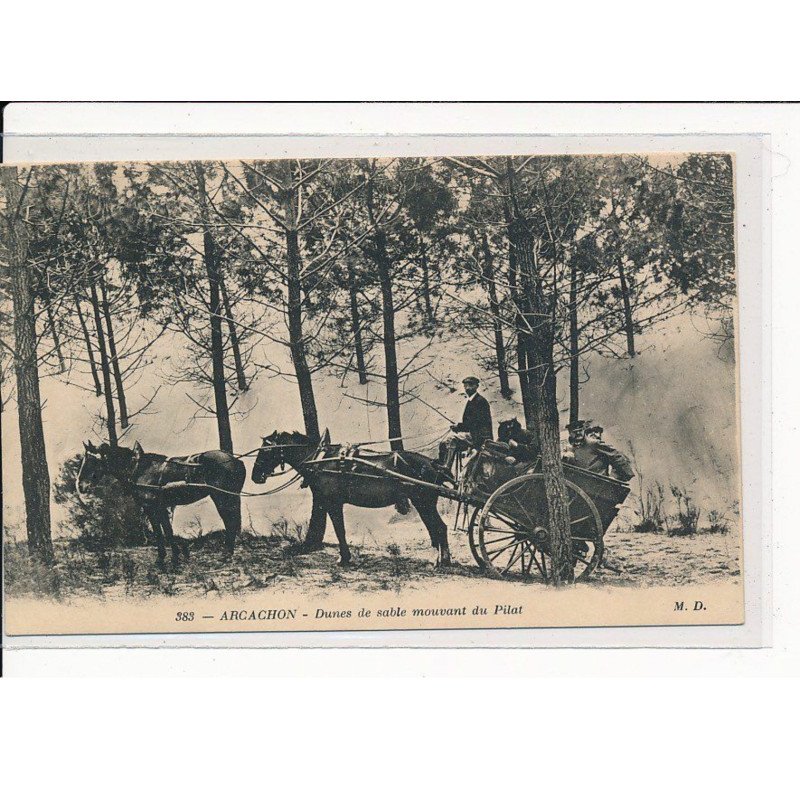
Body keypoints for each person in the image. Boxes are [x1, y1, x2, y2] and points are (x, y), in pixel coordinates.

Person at [437, 376, 493, 471]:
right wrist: (459, 427)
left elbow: (475, 423)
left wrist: (459, 427)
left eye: (470, 385)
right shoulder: (472, 401)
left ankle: (447, 467)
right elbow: (469, 423)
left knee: (451, 439)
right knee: (443, 443)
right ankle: (442, 463)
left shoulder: (480, 401)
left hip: (479, 436)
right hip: (473, 433)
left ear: (476, 386)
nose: (467, 388)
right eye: (465, 386)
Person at [563, 419, 634, 482]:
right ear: (570, 433)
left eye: (580, 431)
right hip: (580, 482)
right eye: (575, 432)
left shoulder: (593, 443)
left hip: (597, 482)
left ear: (583, 430)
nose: (578, 433)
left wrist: (617, 477)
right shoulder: (569, 448)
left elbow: (615, 455)